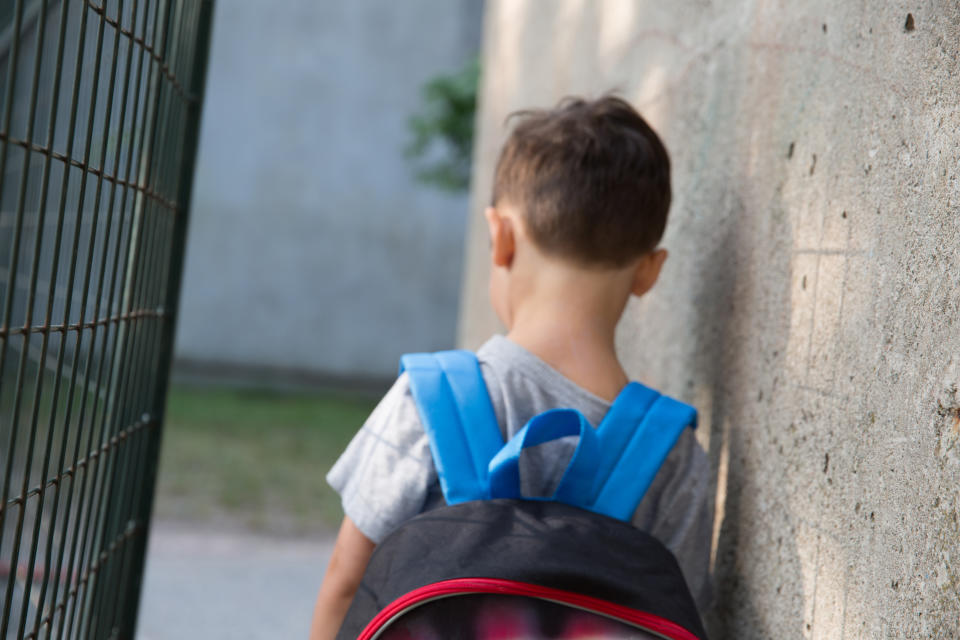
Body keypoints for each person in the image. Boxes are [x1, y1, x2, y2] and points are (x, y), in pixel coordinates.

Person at [309, 95, 714, 640]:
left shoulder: (430, 401)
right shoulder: (676, 459)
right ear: (649, 271)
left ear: (499, 236)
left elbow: (344, 583)